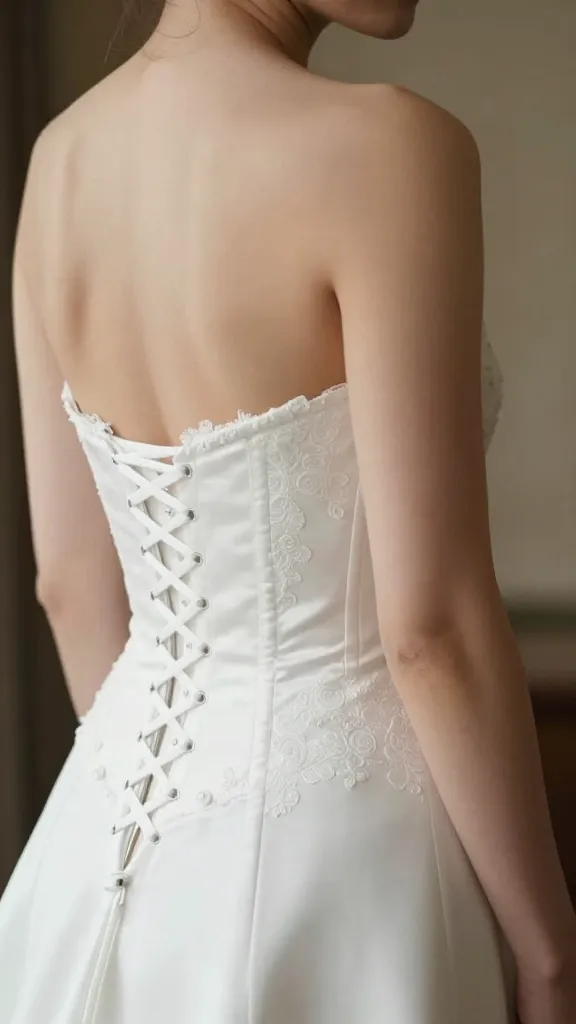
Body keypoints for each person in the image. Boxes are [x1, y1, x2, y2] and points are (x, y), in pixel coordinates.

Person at [1, 0, 575, 1021]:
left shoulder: (60, 161)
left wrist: (187, 834)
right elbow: (429, 628)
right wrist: (546, 949)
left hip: (94, 856)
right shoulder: (391, 148)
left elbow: (71, 584)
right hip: (352, 872)